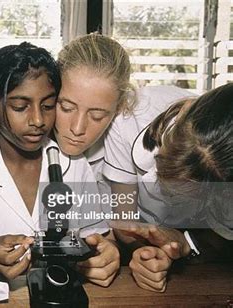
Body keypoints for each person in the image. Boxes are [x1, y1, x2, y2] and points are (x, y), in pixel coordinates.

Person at [0, 42, 116, 286]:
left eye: (47, 106)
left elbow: (95, 240)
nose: (37, 120)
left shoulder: (74, 165)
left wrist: (105, 255)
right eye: (20, 107)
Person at [52, 33, 195, 291]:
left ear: (119, 108)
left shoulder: (148, 123)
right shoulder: (26, 142)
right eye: (66, 106)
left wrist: (145, 253)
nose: (77, 127)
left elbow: (125, 226)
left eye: (97, 115)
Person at [104, 83, 233, 292]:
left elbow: (221, 242)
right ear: (183, 110)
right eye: (164, 164)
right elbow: (124, 222)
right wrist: (148, 254)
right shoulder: (131, 118)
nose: (160, 184)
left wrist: (187, 243)